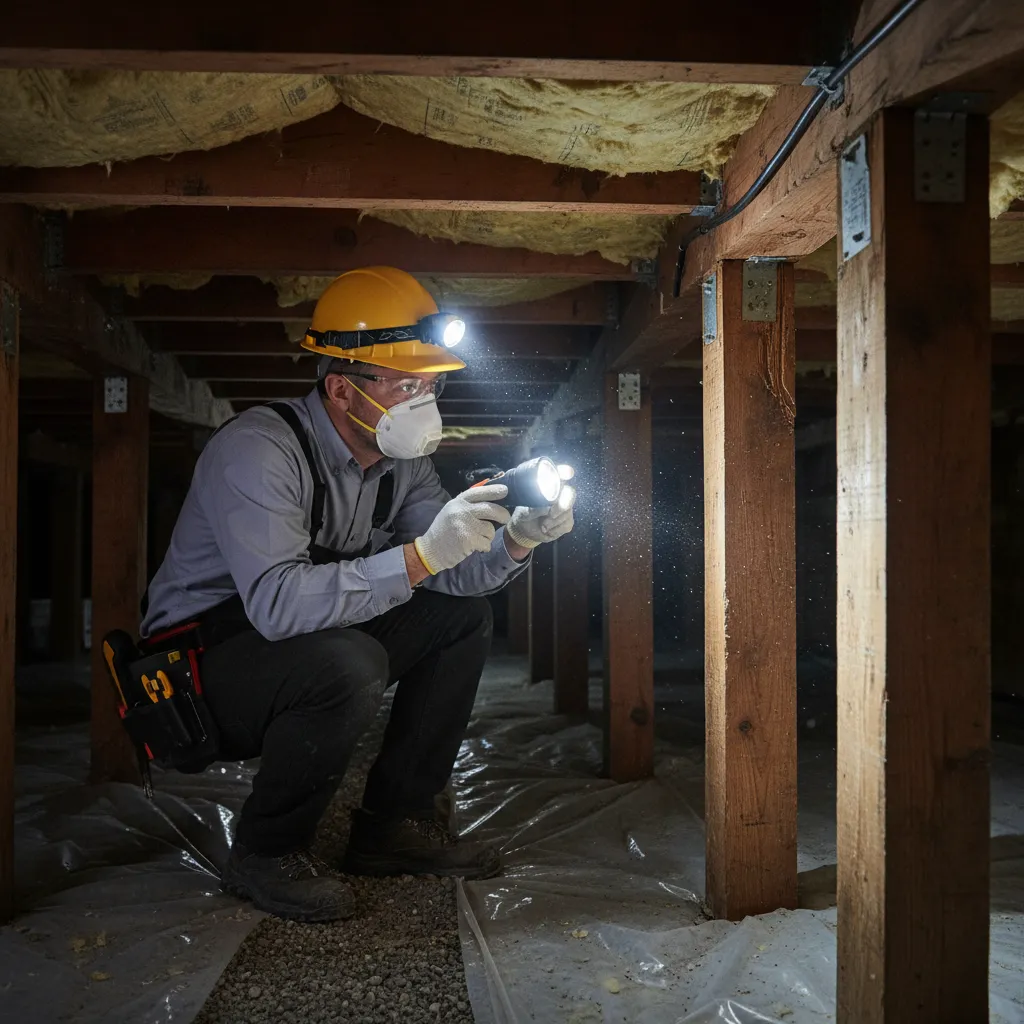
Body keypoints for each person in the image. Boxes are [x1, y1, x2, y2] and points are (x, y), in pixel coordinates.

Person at [140, 267, 574, 922]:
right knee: (348, 662)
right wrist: (422, 554)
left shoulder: (401, 466)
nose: (424, 400)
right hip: (193, 680)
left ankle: (395, 825)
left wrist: (513, 542)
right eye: (406, 384)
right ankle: (266, 851)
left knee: (459, 619)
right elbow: (280, 604)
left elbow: (447, 571)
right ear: (342, 389)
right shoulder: (258, 450)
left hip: (293, 644)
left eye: (432, 384)